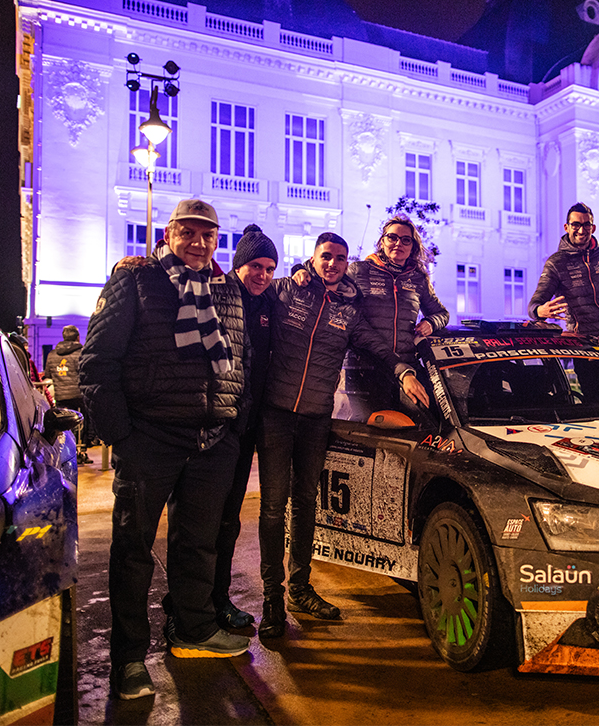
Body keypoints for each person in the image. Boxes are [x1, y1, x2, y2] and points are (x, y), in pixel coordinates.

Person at [81, 198, 251, 700]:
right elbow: (97, 361)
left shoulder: (227, 289)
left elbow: (239, 358)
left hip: (212, 438)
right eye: (188, 233)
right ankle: (129, 658)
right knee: (133, 549)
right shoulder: (138, 280)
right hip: (150, 438)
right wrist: (122, 435)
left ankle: (192, 629)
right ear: (169, 234)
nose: (198, 244)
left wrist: (231, 422)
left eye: (208, 235)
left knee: (197, 543)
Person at [257, 233, 428, 638]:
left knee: (304, 505)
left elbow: (379, 348)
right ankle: (270, 600)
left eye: (339, 258)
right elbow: (242, 293)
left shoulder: (348, 313)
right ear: (313, 258)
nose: (332, 264)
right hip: (276, 415)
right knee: (271, 507)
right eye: (325, 257)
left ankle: (299, 589)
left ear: (346, 262)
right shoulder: (284, 292)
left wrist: (404, 372)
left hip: (316, 418)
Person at [292, 213, 449, 412]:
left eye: (406, 240)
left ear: (412, 247)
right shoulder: (360, 270)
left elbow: (442, 313)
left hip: (406, 365)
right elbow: (326, 270)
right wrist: (299, 269)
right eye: (392, 237)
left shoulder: (417, 279)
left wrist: (432, 322)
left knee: (417, 427)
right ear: (382, 241)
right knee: (373, 433)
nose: (398, 243)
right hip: (364, 368)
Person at [209, 225, 278, 630]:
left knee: (230, 519)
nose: (263, 275)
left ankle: (218, 598)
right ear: (239, 265)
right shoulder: (218, 295)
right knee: (204, 520)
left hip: (248, 426)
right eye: (256, 265)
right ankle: (190, 605)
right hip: (218, 424)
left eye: (269, 268)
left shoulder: (269, 297)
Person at [528, 202, 599, 336]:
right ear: (566, 227)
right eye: (575, 225)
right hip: (582, 342)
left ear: (593, 228)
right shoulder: (556, 263)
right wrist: (539, 311)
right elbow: (533, 305)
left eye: (587, 225)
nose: (581, 230)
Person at [44, 325, 96, 450]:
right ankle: (81, 449)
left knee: (63, 424)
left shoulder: (52, 354)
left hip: (61, 395)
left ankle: (66, 449)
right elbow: (88, 372)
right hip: (79, 395)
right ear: (77, 337)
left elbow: (48, 374)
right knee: (81, 421)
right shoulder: (82, 353)